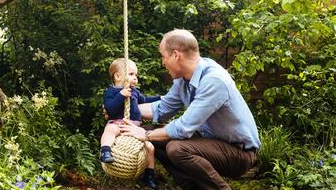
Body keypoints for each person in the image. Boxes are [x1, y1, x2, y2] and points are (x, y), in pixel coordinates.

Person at [120, 29, 261, 190]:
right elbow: (162, 108)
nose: (163, 62)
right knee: (150, 134)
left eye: (163, 56)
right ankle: (192, 186)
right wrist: (122, 110)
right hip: (210, 142)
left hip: (239, 153)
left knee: (176, 148)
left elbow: (183, 128)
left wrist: (146, 135)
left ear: (175, 55)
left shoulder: (214, 81)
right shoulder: (183, 79)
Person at [100, 58, 160, 189]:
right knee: (110, 129)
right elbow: (110, 109)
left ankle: (149, 175)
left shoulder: (135, 91)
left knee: (150, 147)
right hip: (118, 124)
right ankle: (105, 151)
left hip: (134, 128)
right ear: (117, 76)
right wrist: (121, 95)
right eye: (131, 74)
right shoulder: (111, 92)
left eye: (136, 75)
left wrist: (161, 97)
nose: (135, 78)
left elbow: (144, 100)